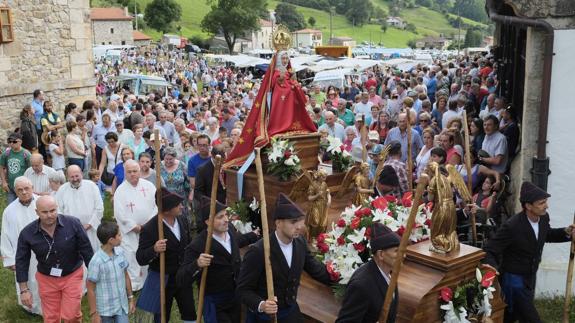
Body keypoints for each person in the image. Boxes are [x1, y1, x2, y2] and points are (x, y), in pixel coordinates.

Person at [483, 182, 575, 323]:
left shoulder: (543, 218)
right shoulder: (512, 226)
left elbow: (546, 235)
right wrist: (491, 270)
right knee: (530, 318)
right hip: (513, 280)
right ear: (528, 206)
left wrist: (566, 233)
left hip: (530, 276)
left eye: (546, 202)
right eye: (541, 203)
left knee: (510, 316)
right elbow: (491, 249)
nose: (546, 206)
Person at [237, 193, 333, 323]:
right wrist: (262, 305)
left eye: (300, 220)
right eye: (293, 222)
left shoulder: (300, 243)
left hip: (290, 312)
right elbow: (243, 290)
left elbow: (316, 270)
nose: (299, 226)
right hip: (265, 318)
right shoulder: (259, 251)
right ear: (278, 223)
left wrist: (342, 280)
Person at [177, 196, 260, 322]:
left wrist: (253, 235)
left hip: (235, 296)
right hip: (215, 303)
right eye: (220, 217)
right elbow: (181, 278)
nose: (226, 220)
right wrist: (197, 264)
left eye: (226, 215)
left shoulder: (230, 230)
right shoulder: (198, 245)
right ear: (207, 221)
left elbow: (236, 242)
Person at [15, 195, 93, 323]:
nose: (49, 215)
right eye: (44, 212)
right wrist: (24, 290)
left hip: (72, 274)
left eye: (52, 211)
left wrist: (96, 275)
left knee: (71, 316)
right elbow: (21, 261)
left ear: (57, 209)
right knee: (51, 318)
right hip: (46, 279)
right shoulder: (27, 233)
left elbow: (87, 250)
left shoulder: (73, 223)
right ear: (37, 212)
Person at [136, 188, 196, 323]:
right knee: (162, 317)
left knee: (190, 313)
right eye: (178, 205)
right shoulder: (150, 228)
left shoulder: (182, 220)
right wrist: (154, 249)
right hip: (163, 280)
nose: (181, 206)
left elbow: (189, 245)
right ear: (168, 209)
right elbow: (140, 257)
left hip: (183, 277)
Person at [336, 222, 400, 323]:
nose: (403, 256)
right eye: (397, 251)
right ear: (381, 255)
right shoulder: (361, 285)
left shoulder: (390, 273)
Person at [114, 160, 158, 291]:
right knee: (131, 256)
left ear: (139, 171)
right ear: (125, 173)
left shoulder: (149, 186)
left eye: (135, 171)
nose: (133, 174)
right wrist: (135, 227)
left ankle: (148, 281)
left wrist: (149, 225)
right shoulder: (120, 191)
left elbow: (156, 206)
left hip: (149, 230)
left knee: (148, 253)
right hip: (131, 233)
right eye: (129, 172)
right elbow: (120, 214)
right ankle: (134, 284)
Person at [1, 177, 42, 315]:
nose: (24, 192)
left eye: (27, 188)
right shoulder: (9, 211)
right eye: (20, 190)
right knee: (28, 280)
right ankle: (30, 307)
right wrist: (10, 259)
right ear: (15, 191)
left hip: (44, 253)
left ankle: (48, 306)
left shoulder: (42, 204)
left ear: (32, 187)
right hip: (22, 256)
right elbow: (5, 235)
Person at [87, 222, 135, 323]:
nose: (121, 237)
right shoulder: (96, 261)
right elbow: (90, 288)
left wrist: (131, 299)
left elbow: (126, 275)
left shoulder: (120, 253)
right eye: (119, 235)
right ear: (111, 240)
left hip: (121, 307)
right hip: (104, 311)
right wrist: (94, 313)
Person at [55, 165, 104, 253]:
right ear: (67, 177)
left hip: (91, 229)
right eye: (71, 177)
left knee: (93, 254)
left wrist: (89, 225)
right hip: (71, 231)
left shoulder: (91, 186)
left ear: (81, 174)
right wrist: (70, 227)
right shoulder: (62, 190)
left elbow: (99, 208)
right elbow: (58, 211)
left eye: (77, 176)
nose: (75, 179)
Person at [1, 132, 32, 204]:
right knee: (10, 207)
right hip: (11, 187)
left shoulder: (26, 154)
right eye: (9, 141)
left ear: (20, 142)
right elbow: (1, 166)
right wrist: (4, 182)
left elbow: (30, 170)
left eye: (14, 141)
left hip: (23, 188)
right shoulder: (6, 153)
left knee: (24, 205)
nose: (11, 143)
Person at [188, 134, 211, 201]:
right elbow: (193, 183)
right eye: (200, 145)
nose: (202, 147)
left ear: (209, 145)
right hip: (200, 195)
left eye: (204, 145)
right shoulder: (192, 161)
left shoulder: (214, 159)